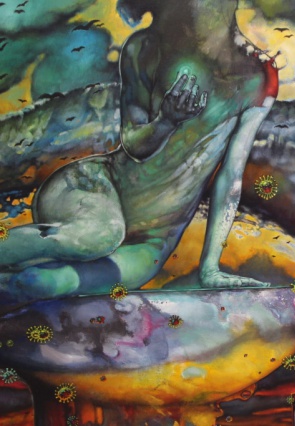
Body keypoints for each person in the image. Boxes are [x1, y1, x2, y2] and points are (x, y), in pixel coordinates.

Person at [0, 0, 278, 306]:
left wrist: (210, 269)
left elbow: (231, 176)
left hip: (152, 242)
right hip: (96, 188)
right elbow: (134, 145)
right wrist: (166, 121)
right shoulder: (145, 47)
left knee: (39, 283)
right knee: (97, 237)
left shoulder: (259, 74)